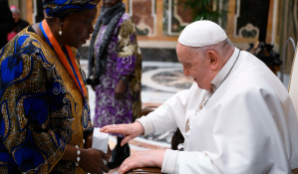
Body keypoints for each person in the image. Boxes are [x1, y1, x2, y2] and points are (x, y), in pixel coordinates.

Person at [101, 20, 298, 174]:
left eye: (188, 65)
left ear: (212, 58)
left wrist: (162, 157)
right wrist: (140, 126)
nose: (185, 73)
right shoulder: (223, 69)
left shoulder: (248, 93)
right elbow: (184, 102)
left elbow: (232, 169)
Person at [0, 0, 109, 174]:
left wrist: (89, 134)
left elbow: (78, 96)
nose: (91, 30)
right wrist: (79, 155)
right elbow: (24, 135)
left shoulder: (67, 48)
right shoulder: (25, 56)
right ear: (59, 20)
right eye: (85, 21)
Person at [87, 0, 142, 169]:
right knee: (103, 118)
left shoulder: (123, 20)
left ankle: (120, 153)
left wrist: (123, 80)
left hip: (118, 81)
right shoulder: (104, 18)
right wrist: (95, 73)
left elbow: (128, 51)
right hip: (104, 80)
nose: (108, 0)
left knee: (120, 117)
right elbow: (97, 48)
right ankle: (110, 152)